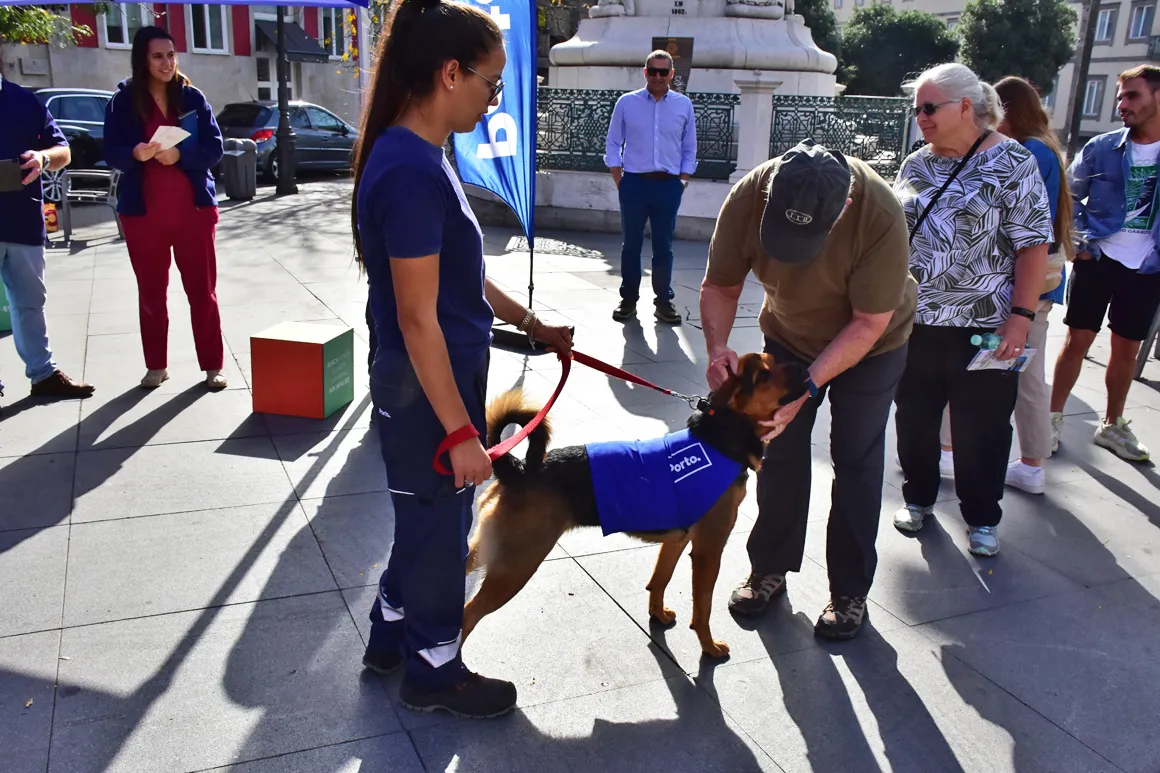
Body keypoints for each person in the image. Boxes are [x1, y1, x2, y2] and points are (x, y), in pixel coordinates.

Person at [351, 0, 573, 718]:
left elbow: (462, 275)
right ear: (451, 73)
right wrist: (459, 431)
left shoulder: (422, 155)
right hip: (425, 390)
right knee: (442, 529)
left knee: (424, 518)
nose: (494, 98)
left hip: (433, 380)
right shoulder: (411, 169)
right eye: (491, 81)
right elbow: (417, 318)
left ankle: (390, 636)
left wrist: (531, 323)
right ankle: (434, 670)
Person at [702, 139, 915, 641]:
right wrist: (717, 349)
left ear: (844, 206)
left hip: (873, 342)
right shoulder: (749, 195)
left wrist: (811, 388)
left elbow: (868, 323)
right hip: (790, 334)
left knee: (856, 459)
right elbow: (721, 286)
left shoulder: (879, 212)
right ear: (771, 194)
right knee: (778, 450)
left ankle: (849, 590)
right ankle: (769, 567)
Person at [892, 64, 1053, 557]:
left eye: (929, 107)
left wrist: (1021, 318)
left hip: (987, 325)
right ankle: (917, 498)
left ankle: (982, 517)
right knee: (915, 418)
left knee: (982, 426)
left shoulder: (1014, 161)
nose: (921, 117)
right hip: (916, 321)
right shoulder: (916, 164)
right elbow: (894, 235)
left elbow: (1032, 247)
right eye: (916, 109)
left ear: (966, 107)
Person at [938, 75, 1075, 496]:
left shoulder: (1022, 153)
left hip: (1012, 288)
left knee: (972, 369)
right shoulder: (1044, 150)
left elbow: (1022, 232)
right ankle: (1031, 464)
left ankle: (950, 452)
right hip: (1034, 287)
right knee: (1026, 375)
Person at [103, 26, 226, 391]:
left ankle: (213, 366)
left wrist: (180, 155)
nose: (167, 63)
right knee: (151, 294)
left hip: (194, 213)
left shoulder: (191, 98)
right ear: (142, 59)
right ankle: (156, 365)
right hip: (143, 216)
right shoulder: (122, 102)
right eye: (158, 56)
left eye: (171, 55)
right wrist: (133, 153)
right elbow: (110, 151)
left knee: (202, 293)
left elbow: (215, 149)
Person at [1050, 64, 1160, 462]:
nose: (1122, 105)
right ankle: (1051, 419)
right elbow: (1066, 195)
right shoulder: (1102, 147)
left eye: (1133, 96)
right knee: (1077, 341)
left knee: (1127, 349)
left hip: (1147, 266)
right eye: (1120, 97)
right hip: (1098, 258)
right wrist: (1079, 241)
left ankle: (1112, 425)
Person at [0, 60, 95, 410]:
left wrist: (42, 157)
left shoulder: (24, 101)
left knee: (30, 302)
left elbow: (63, 151)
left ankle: (43, 376)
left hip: (23, 221)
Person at [604, 49, 697, 325]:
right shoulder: (626, 103)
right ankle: (628, 299)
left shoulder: (683, 105)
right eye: (653, 71)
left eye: (663, 72)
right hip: (634, 183)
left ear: (671, 74)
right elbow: (613, 142)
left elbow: (689, 146)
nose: (658, 76)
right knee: (631, 245)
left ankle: (663, 302)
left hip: (668, 185)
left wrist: (682, 181)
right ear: (645, 72)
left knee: (663, 247)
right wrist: (620, 179)